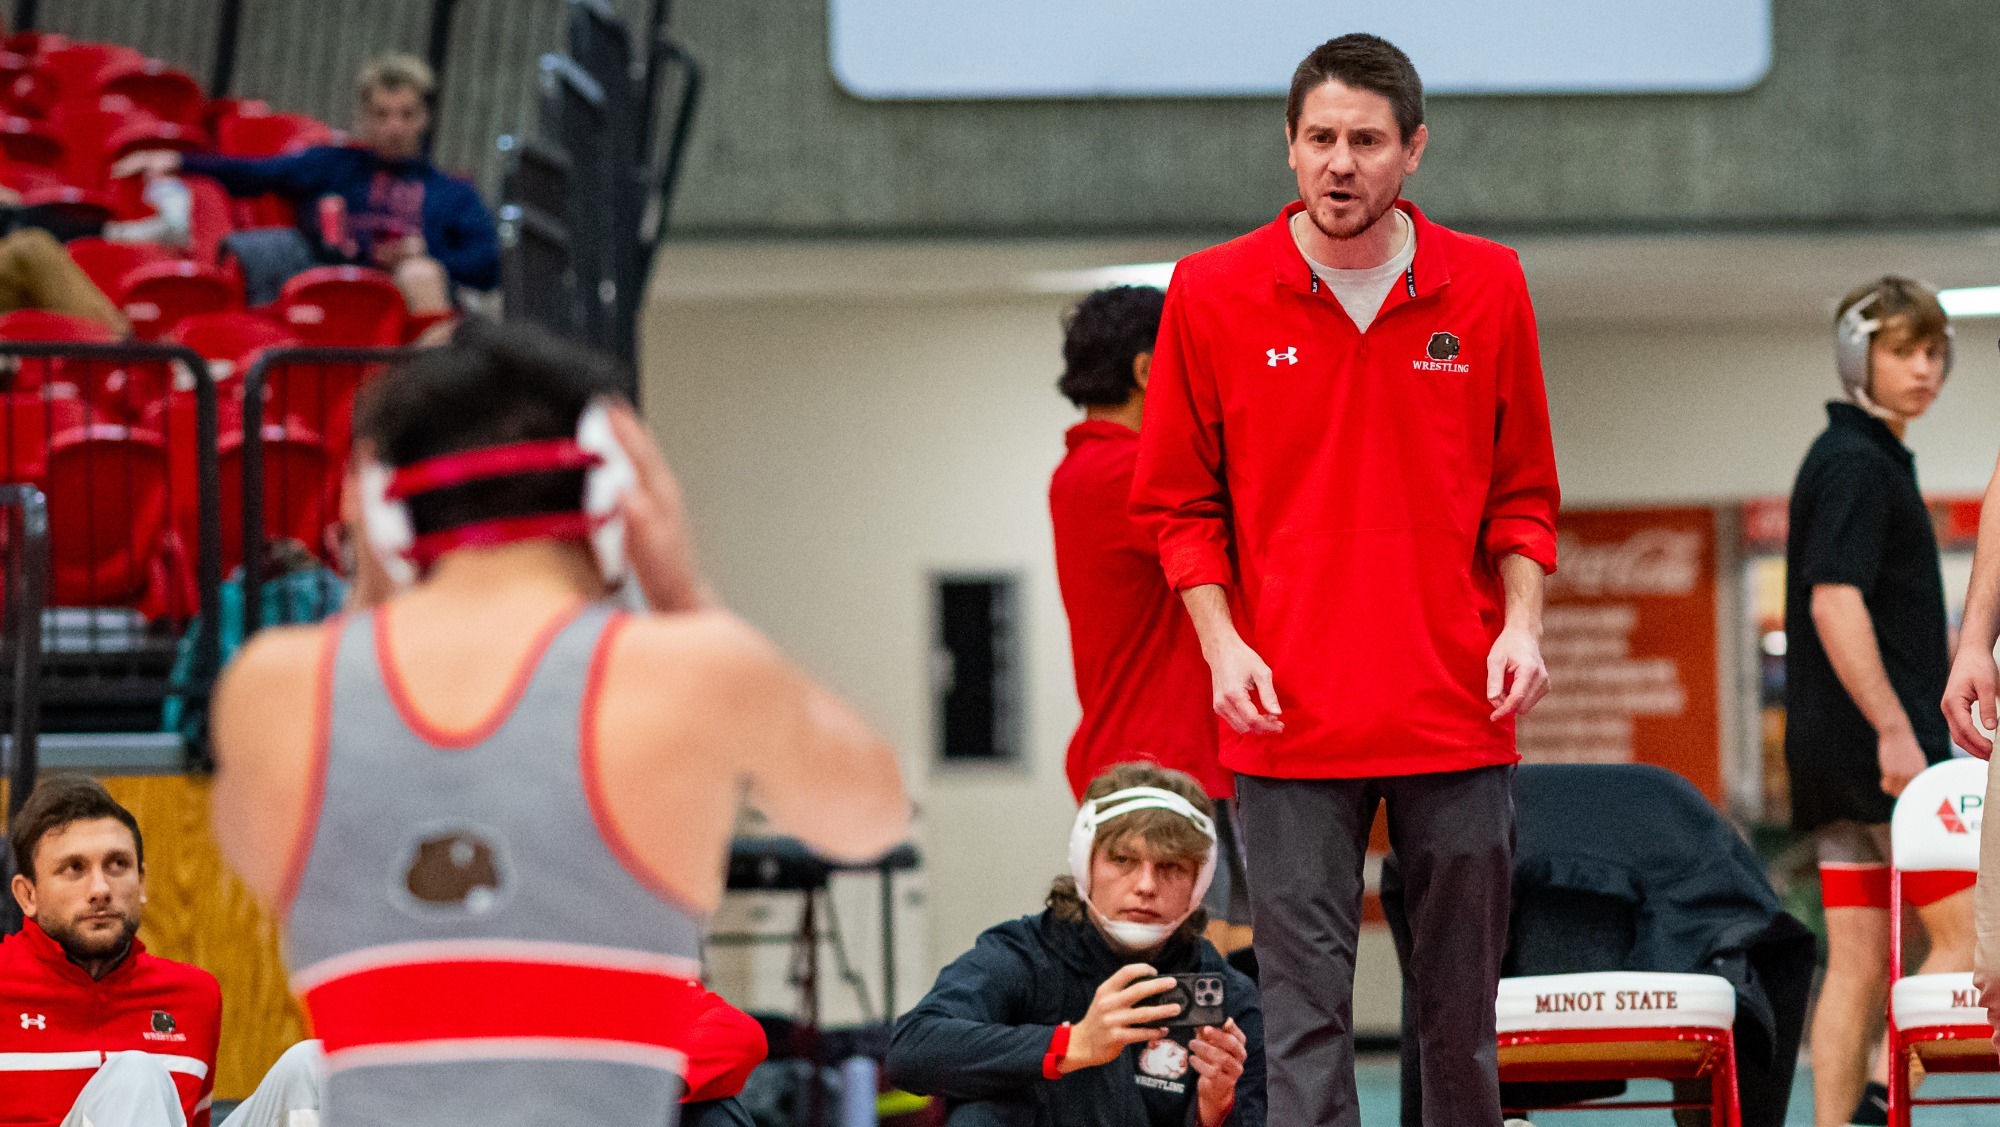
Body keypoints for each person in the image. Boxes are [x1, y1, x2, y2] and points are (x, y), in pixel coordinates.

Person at [209, 321, 909, 1124]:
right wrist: (684, 592)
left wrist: (371, 581)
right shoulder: (683, 674)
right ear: (611, 499)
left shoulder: (276, 688)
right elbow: (871, 816)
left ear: (377, 509)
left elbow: (274, 862)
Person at [1129, 33, 1560, 1127]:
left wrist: (1520, 624)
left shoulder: (1489, 283)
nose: (1339, 163)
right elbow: (1178, 506)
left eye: (1365, 140)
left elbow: (1521, 496)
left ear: (1412, 149)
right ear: (1287, 147)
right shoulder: (1211, 292)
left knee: (1457, 1015)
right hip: (1284, 712)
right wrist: (1223, 647)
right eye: (1318, 138)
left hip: (1457, 705)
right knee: (1305, 1012)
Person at [1790, 277, 1971, 1127]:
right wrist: (1899, 731)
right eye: (1904, 350)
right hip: (1879, 754)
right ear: (1860, 357)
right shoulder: (1859, 464)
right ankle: (1875, 1102)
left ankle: (1841, 1123)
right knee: (1967, 941)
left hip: (1843, 754)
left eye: (1934, 351)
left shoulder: (1856, 457)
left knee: (1859, 959)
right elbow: (1834, 600)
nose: (1925, 368)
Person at [887, 762, 1262, 1127]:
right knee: (984, 1102)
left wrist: (1214, 1113)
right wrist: (1072, 1044)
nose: (1146, 885)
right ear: (1086, 865)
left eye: (1171, 866)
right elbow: (911, 1051)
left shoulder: (1225, 994)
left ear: (1199, 882)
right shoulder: (1023, 956)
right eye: (1123, 859)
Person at [1049, 285, 1249, 952]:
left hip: (1174, 758)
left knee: (1229, 974)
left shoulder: (1091, 468)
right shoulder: (1123, 471)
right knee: (1193, 983)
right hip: (1166, 767)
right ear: (1145, 370)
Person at [113, 53, 499, 314]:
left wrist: (427, 252)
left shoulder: (452, 193)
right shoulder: (334, 165)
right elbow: (256, 173)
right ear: (363, 117)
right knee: (249, 253)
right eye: (381, 114)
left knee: (421, 274)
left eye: (405, 114)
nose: (394, 127)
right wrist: (178, 160)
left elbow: (488, 267)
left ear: (424, 118)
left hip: (410, 305)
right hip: (328, 293)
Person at [0, 774, 222, 1127]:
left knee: (307, 1066)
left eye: (117, 865)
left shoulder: (196, 997)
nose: (101, 888)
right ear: (28, 896)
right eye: (74, 869)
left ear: (141, 882)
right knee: (136, 1072)